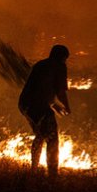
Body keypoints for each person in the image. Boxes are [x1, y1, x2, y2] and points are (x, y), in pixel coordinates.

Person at [18, 44, 71, 176]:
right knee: (52, 139)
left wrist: (53, 104)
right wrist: (67, 106)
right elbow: (60, 91)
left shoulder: (40, 65)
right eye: (65, 58)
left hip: (25, 104)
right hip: (38, 105)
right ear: (63, 57)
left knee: (40, 134)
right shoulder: (59, 66)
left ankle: (34, 169)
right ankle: (52, 173)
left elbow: (41, 88)